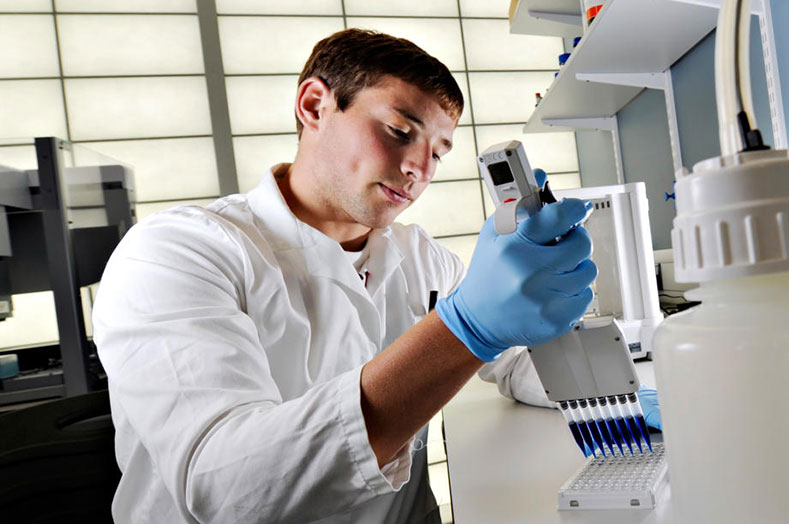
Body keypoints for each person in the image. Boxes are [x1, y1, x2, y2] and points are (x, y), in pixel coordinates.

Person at [93, 28, 598, 523]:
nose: (419, 169)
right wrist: (464, 332)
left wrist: (626, 396)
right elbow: (227, 492)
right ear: (314, 106)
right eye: (400, 132)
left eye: (439, 153)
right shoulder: (176, 252)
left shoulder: (422, 257)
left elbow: (515, 364)